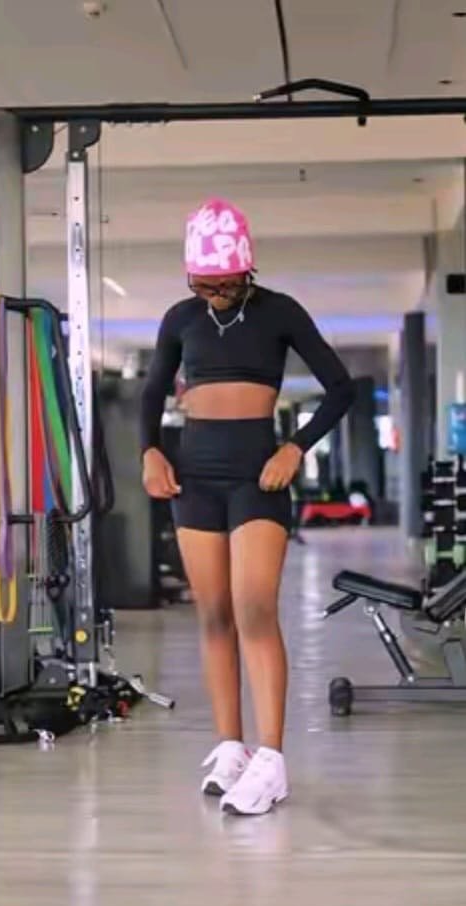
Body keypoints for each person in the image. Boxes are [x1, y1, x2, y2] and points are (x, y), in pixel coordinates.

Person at [139, 198, 355, 817]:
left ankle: (272, 760)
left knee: (255, 610)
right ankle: (231, 747)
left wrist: (296, 447)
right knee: (213, 616)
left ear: (247, 270)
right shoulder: (180, 318)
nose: (214, 295)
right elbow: (153, 391)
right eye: (202, 285)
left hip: (259, 476)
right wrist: (150, 451)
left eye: (225, 284)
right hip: (195, 478)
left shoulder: (280, 312)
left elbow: (341, 389)